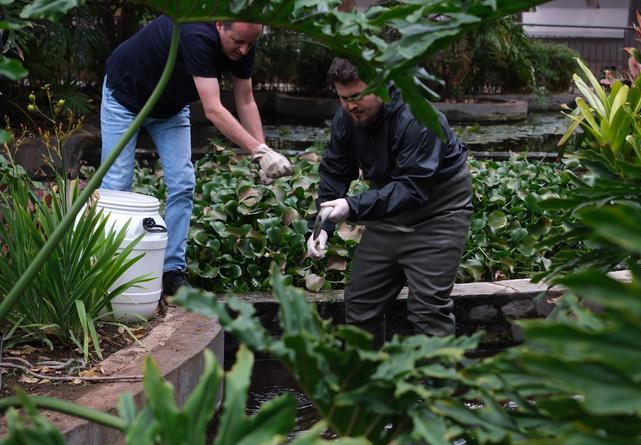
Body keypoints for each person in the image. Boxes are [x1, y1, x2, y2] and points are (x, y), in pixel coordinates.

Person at [100, 16, 292, 297]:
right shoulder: (196, 34)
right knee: (117, 184)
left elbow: (246, 99)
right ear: (219, 25)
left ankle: (172, 272)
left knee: (183, 183)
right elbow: (213, 109)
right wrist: (257, 150)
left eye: (251, 43)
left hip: (171, 108)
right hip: (125, 97)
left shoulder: (243, 44)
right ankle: (104, 268)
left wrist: (264, 152)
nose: (243, 50)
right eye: (238, 41)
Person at [308, 58, 473, 348]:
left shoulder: (418, 117)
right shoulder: (346, 118)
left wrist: (352, 206)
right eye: (343, 98)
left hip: (438, 214)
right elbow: (335, 171)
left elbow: (412, 187)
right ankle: (368, 386)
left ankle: (442, 390)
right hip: (387, 212)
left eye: (358, 96)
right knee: (360, 303)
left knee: (428, 313)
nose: (350, 106)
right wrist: (321, 227)